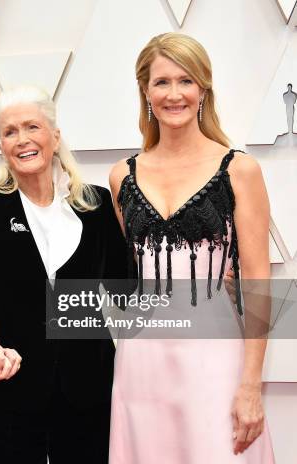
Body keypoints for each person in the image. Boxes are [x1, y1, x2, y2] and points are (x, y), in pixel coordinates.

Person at [0, 86, 132, 463]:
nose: (22, 140)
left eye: (32, 127)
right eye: (10, 132)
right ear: (1, 144)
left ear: (55, 136)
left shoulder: (95, 204)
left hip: (87, 391)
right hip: (6, 392)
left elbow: (126, 290)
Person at [108, 33, 275, 463]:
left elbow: (258, 283)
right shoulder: (120, 177)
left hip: (214, 355)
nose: (174, 94)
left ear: (203, 89)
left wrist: (251, 385)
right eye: (162, 82)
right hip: (141, 359)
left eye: (186, 81)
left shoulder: (239, 170)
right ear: (145, 90)